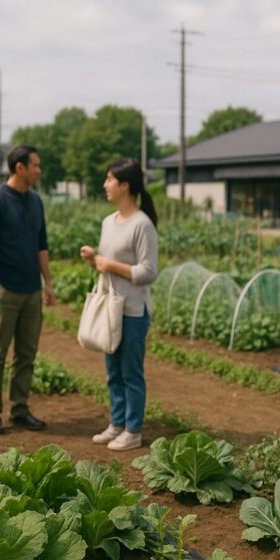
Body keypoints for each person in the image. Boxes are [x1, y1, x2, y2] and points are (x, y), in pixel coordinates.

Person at [0, 145, 55, 434]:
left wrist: (48, 282)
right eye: (35, 165)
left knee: (26, 355)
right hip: (4, 291)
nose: (38, 170)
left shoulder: (35, 202)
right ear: (19, 167)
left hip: (32, 291)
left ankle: (20, 409)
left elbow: (41, 245)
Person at [80, 158, 158, 451]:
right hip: (112, 308)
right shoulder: (108, 222)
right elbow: (109, 264)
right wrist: (95, 259)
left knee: (131, 373)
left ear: (125, 185)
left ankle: (133, 430)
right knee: (113, 371)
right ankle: (117, 423)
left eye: (110, 180)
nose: (105, 185)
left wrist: (110, 264)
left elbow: (148, 272)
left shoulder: (143, 225)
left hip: (134, 311)